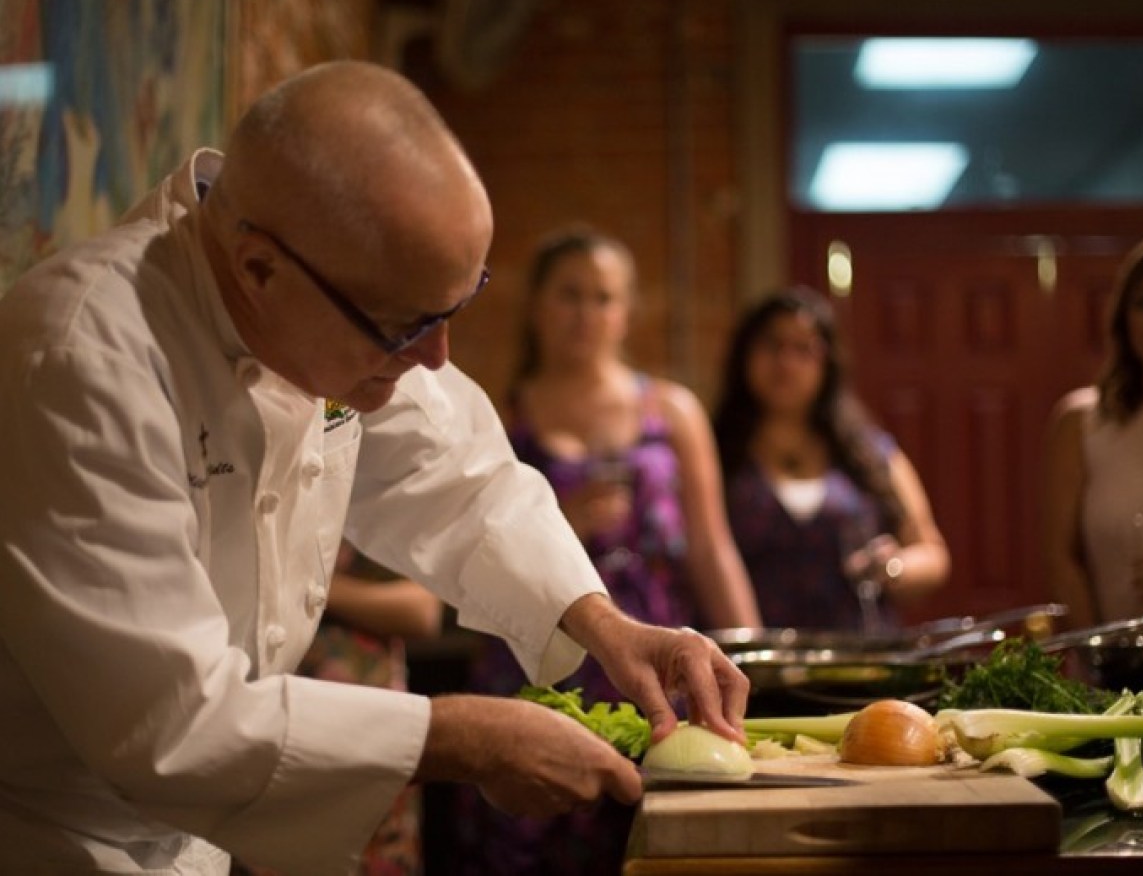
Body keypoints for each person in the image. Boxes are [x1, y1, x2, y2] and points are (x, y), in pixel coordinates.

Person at [0, 61, 749, 875]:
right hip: (52, 840)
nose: (436, 359)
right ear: (258, 269)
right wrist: (457, 737)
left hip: (195, 845)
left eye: (456, 310)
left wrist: (606, 624)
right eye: (404, 327)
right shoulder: (81, 360)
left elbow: (462, 477)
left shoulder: (309, 307)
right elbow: (168, 722)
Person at [455, 226, 761, 875]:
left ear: (626, 313)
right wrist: (558, 522)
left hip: (653, 659)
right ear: (536, 305)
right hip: (537, 662)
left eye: (604, 297)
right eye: (570, 295)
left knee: (649, 845)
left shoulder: (670, 411)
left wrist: (752, 650)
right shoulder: (498, 416)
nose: (587, 314)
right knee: (529, 841)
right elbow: (468, 543)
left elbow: (711, 547)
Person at [710, 287, 949, 633]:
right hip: (751, 662)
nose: (786, 362)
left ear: (828, 363)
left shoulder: (868, 452)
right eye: (773, 345)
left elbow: (933, 554)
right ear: (745, 355)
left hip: (860, 660)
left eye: (804, 349)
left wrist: (894, 567)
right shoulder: (711, 452)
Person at [233, 539, 442, 876]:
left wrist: (309, 589)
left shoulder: (370, 502)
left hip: (371, 717)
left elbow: (421, 611)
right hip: (274, 717)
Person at [1042, 230, 1143, 630]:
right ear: (1122, 317)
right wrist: (1101, 657)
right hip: (1111, 673)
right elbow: (1060, 558)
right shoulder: (1081, 422)